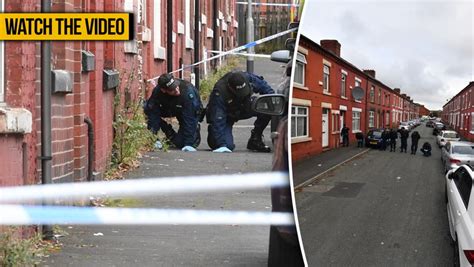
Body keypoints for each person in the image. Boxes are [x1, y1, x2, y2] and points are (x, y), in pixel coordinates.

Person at [206, 71, 274, 153]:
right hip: (227, 115)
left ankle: (255, 139)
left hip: (244, 106)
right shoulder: (220, 92)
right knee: (227, 146)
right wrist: (221, 144)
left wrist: (274, 104)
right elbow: (218, 119)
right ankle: (213, 135)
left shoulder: (248, 78)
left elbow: (267, 90)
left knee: (267, 107)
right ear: (230, 88)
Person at [144, 73, 202, 152]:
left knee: (180, 143)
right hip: (170, 108)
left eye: (176, 86)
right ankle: (165, 128)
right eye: (172, 90)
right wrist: (153, 138)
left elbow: (190, 119)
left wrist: (188, 143)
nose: (177, 90)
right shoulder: (158, 92)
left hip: (188, 112)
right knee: (147, 108)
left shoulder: (188, 92)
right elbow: (153, 112)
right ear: (163, 90)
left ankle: (193, 131)